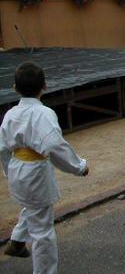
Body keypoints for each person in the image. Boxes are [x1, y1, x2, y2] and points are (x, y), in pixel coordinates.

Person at [0, 62, 89, 274]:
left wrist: (8, 170)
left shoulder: (11, 114)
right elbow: (55, 147)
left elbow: (3, 147)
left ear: (15, 87)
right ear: (45, 86)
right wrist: (79, 167)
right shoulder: (44, 114)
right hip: (35, 171)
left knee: (33, 206)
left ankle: (18, 239)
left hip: (17, 168)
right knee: (42, 229)